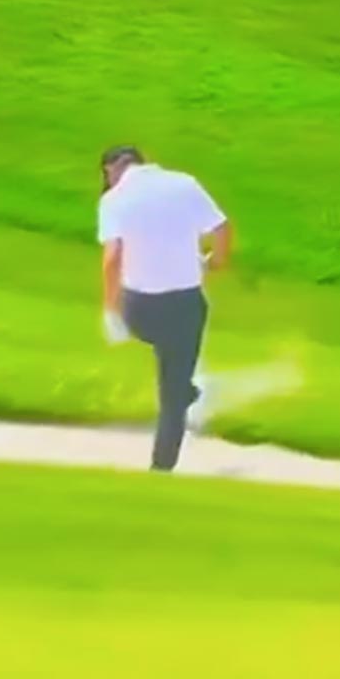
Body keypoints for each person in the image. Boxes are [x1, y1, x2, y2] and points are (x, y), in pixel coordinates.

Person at [97, 145, 234, 472]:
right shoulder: (184, 183)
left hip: (139, 307)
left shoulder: (114, 199)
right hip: (186, 304)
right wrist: (216, 261)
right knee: (173, 398)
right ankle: (163, 465)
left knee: (149, 339)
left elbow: (113, 257)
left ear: (113, 169)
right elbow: (222, 229)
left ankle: (181, 388)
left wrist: (110, 310)